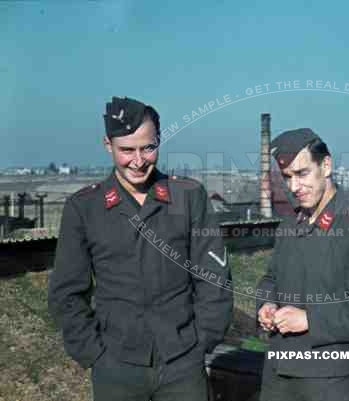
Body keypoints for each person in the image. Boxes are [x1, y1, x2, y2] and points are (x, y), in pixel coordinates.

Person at [48, 96, 233, 401]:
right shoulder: (84, 208)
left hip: (183, 366)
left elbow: (214, 278)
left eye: (148, 148)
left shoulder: (188, 197)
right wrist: (94, 354)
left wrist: (201, 342)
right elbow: (67, 292)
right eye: (127, 150)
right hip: (116, 369)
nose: (138, 161)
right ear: (108, 145)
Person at [256, 128, 349, 401]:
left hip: (332, 381)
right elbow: (272, 278)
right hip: (278, 374)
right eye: (287, 177)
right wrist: (266, 304)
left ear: (326, 166)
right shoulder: (289, 225)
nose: (294, 187)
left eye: (302, 173)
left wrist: (309, 319)